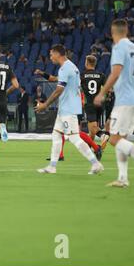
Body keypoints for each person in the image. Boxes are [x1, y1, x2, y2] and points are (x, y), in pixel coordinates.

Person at [35, 45, 103, 175]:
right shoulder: (72, 67)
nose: (50, 57)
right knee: (56, 134)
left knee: (74, 138)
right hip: (66, 108)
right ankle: (52, 166)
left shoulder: (65, 68)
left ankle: (95, 164)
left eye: (51, 55)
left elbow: (59, 90)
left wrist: (45, 105)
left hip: (69, 109)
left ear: (57, 54)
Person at [94, 19, 134, 188]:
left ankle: (123, 178)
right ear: (126, 31)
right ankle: (123, 178)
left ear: (113, 33)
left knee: (113, 138)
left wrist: (102, 92)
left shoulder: (119, 47)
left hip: (125, 100)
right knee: (122, 139)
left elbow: (116, 72)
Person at [80, 55, 107, 142]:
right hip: (99, 105)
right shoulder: (101, 75)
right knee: (92, 128)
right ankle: (92, 149)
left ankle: (102, 135)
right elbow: (108, 89)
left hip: (89, 104)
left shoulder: (82, 76)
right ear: (95, 64)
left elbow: (77, 88)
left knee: (93, 127)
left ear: (86, 63)